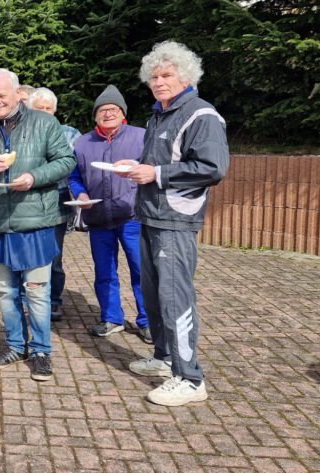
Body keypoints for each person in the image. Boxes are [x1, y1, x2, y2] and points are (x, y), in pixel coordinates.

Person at [116, 41, 229, 406]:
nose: (159, 82)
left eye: (166, 75)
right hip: (150, 216)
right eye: (154, 76)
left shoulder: (201, 115)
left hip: (175, 221)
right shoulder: (159, 115)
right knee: (153, 296)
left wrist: (156, 174)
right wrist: (136, 167)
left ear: (186, 77)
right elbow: (158, 162)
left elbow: (212, 168)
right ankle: (165, 359)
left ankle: (190, 379)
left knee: (175, 298)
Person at [0, 69, 75, 381]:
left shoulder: (44, 123)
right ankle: (15, 345)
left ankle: (41, 351)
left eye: (2, 95)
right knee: (4, 290)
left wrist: (34, 177)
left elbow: (66, 161)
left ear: (17, 94)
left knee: (37, 291)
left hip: (35, 220)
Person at [68, 85, 150, 343]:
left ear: (122, 113)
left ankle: (148, 321)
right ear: (95, 116)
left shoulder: (141, 137)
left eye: (113, 109)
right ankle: (111, 318)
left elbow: (153, 168)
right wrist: (80, 194)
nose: (108, 113)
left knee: (141, 270)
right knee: (104, 272)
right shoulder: (82, 143)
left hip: (132, 216)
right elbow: (74, 176)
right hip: (98, 218)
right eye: (102, 110)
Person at [27, 87, 80, 320]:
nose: (44, 112)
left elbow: (77, 167)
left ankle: (54, 300)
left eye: (48, 108)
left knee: (54, 256)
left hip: (57, 203)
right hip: (28, 204)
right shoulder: (20, 133)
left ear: (55, 110)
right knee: (29, 255)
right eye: (39, 108)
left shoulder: (70, 134)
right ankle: (29, 299)